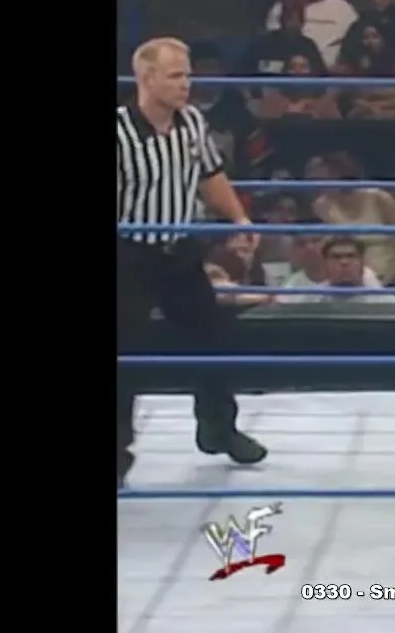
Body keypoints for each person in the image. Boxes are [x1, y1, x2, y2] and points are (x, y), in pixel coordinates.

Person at [116, 37, 268, 489]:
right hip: (128, 255)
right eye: (176, 76)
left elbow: (210, 175)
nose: (186, 84)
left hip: (180, 252)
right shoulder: (120, 133)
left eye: (187, 74)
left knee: (215, 337)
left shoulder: (192, 122)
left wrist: (239, 217)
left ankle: (218, 428)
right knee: (123, 356)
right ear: (147, 79)